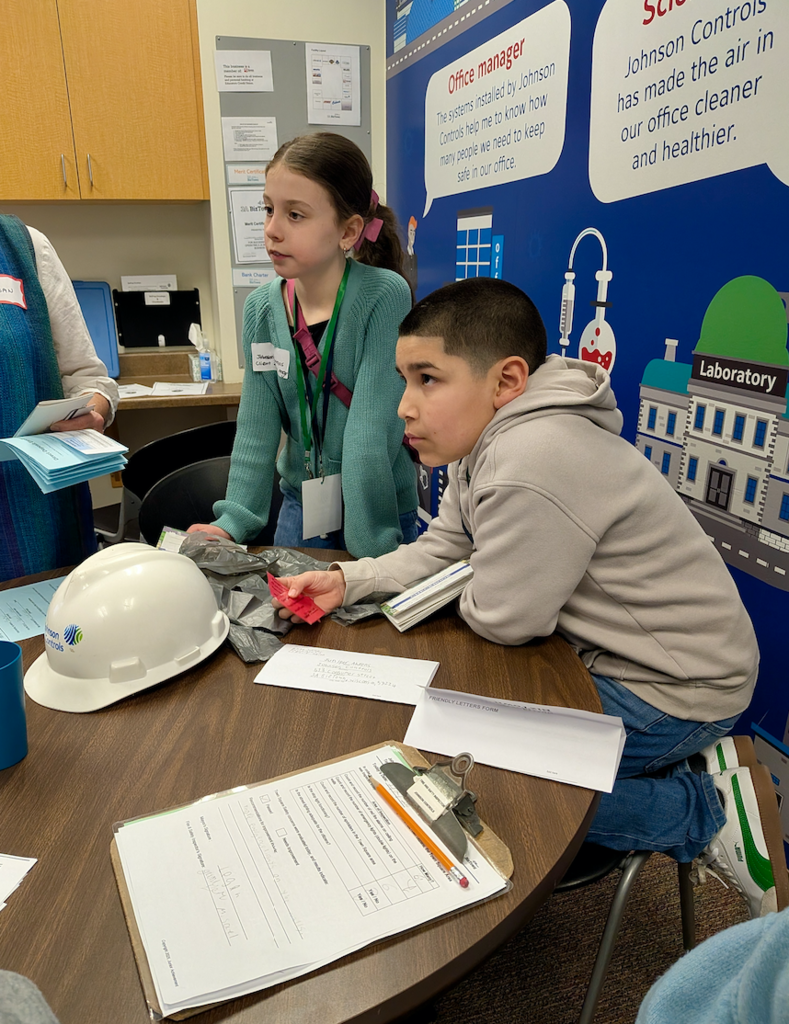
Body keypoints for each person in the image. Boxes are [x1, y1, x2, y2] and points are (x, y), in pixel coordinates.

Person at [271, 276, 788, 920]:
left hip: (680, 686)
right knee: (462, 744)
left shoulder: (531, 457)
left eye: (427, 379)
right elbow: (447, 550)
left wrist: (471, 578)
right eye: (404, 380)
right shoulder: (490, 438)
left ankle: (705, 814)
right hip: (621, 658)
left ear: (507, 381)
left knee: (487, 778)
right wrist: (352, 580)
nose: (404, 405)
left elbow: (502, 620)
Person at [188, 133, 418, 557]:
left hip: (378, 511)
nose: (272, 230)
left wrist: (371, 560)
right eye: (269, 209)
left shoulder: (384, 295)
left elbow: (371, 432)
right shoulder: (261, 307)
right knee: (296, 618)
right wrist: (235, 519)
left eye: (295, 215)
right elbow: (256, 429)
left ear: (348, 230)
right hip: (303, 504)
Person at [0, 215, 119, 583]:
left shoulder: (24, 249)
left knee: (48, 633)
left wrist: (92, 411)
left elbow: (90, 379)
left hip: (32, 515)